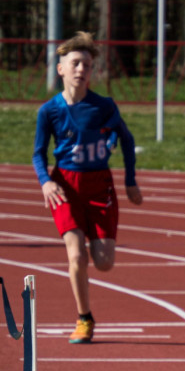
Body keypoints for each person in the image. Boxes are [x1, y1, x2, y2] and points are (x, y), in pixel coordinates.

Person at [33, 32, 142, 343]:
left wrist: (130, 180)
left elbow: (126, 138)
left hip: (99, 186)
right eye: (76, 63)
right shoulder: (49, 111)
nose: (82, 70)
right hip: (65, 186)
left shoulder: (103, 106)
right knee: (76, 255)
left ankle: (96, 243)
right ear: (61, 69)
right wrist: (45, 181)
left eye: (88, 65)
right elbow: (38, 152)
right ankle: (84, 318)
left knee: (105, 262)